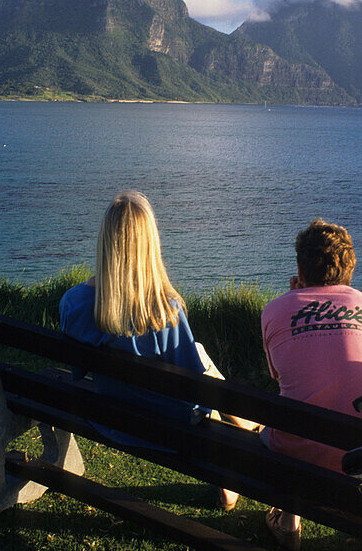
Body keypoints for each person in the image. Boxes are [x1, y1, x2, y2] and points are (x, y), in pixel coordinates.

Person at [59, 190, 249, 510]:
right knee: (200, 359)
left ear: (105, 242)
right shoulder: (166, 312)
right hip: (168, 431)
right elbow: (194, 387)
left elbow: (77, 371)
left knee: (198, 353)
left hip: (109, 417)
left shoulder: (74, 303)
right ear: (150, 245)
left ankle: (244, 422)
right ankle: (240, 433)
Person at [260, 218, 362, 551]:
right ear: (350, 268)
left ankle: (288, 521)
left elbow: (281, 378)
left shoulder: (274, 310)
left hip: (301, 455)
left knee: (279, 427)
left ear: (300, 267)